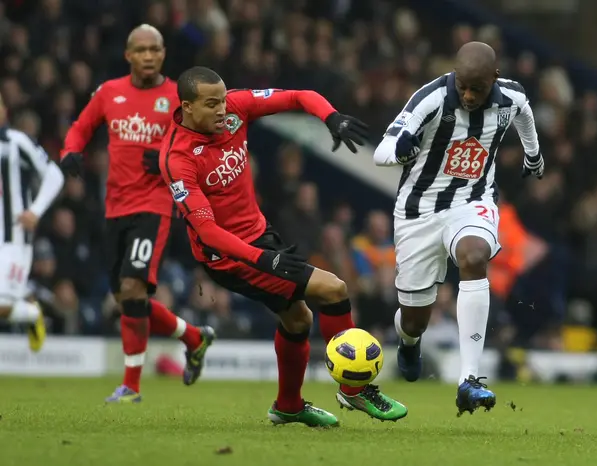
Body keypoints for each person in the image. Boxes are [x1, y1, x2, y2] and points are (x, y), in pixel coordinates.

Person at [159, 66, 408, 427]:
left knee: (298, 318)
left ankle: (288, 406)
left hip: (261, 237)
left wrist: (331, 117)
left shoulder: (234, 109)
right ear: (187, 106)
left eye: (223, 101)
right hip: (230, 256)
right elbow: (209, 232)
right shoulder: (177, 158)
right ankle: (354, 389)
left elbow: (299, 96)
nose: (222, 110)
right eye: (211, 104)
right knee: (334, 289)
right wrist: (264, 259)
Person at [373, 42, 544, 416]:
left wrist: (533, 154)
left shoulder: (510, 96)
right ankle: (409, 340)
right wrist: (399, 151)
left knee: (475, 255)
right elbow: (382, 150)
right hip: (418, 213)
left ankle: (469, 379)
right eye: (462, 86)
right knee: (415, 318)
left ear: (493, 80)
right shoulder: (430, 98)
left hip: (471, 202)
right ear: (455, 75)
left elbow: (525, 114)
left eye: (477, 89)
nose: (467, 95)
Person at [59, 25, 214, 403]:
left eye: (154, 49)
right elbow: (81, 126)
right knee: (128, 299)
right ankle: (194, 337)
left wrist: (164, 159)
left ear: (163, 54)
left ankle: (131, 385)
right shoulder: (109, 92)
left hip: (155, 206)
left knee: (132, 288)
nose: (148, 56)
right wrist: (70, 150)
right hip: (114, 208)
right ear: (128, 55)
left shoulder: (180, 98)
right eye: (140, 50)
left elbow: (200, 145)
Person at [0, 92, 63, 351]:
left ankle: (31, 313)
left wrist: (35, 211)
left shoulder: (16, 142)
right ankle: (28, 310)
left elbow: (54, 175)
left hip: (13, 239)